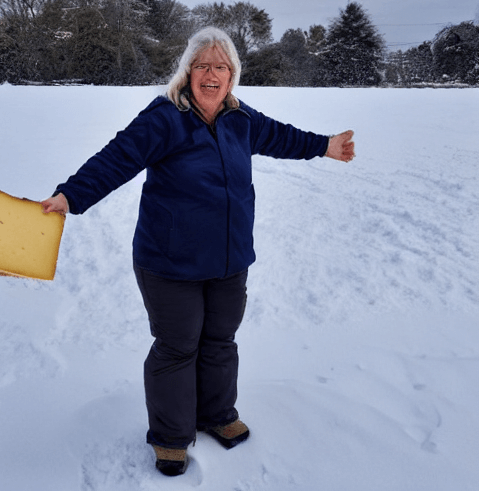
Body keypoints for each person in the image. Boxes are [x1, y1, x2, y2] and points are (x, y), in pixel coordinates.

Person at [42, 26, 355, 477]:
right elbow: (116, 159)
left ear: (232, 76)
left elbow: (283, 138)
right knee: (177, 345)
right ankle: (170, 437)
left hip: (228, 260)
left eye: (221, 66)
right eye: (203, 65)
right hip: (170, 261)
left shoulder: (240, 119)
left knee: (220, 341)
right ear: (188, 72)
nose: (212, 74)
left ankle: (217, 414)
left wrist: (325, 146)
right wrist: (70, 196)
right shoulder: (165, 118)